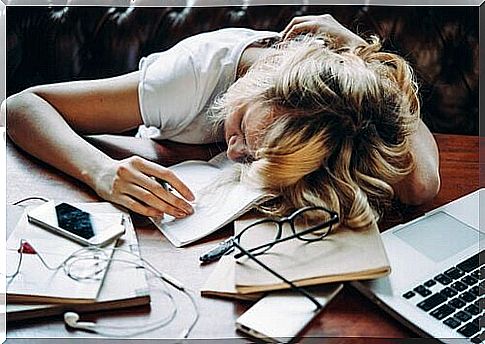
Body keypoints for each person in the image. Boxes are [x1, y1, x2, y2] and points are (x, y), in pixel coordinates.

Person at [3, 15, 440, 229]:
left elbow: (421, 186)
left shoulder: (342, 120)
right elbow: (22, 105)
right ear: (261, 78)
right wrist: (100, 171)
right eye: (246, 133)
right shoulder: (188, 77)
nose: (234, 154)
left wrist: (367, 58)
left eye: (256, 154)